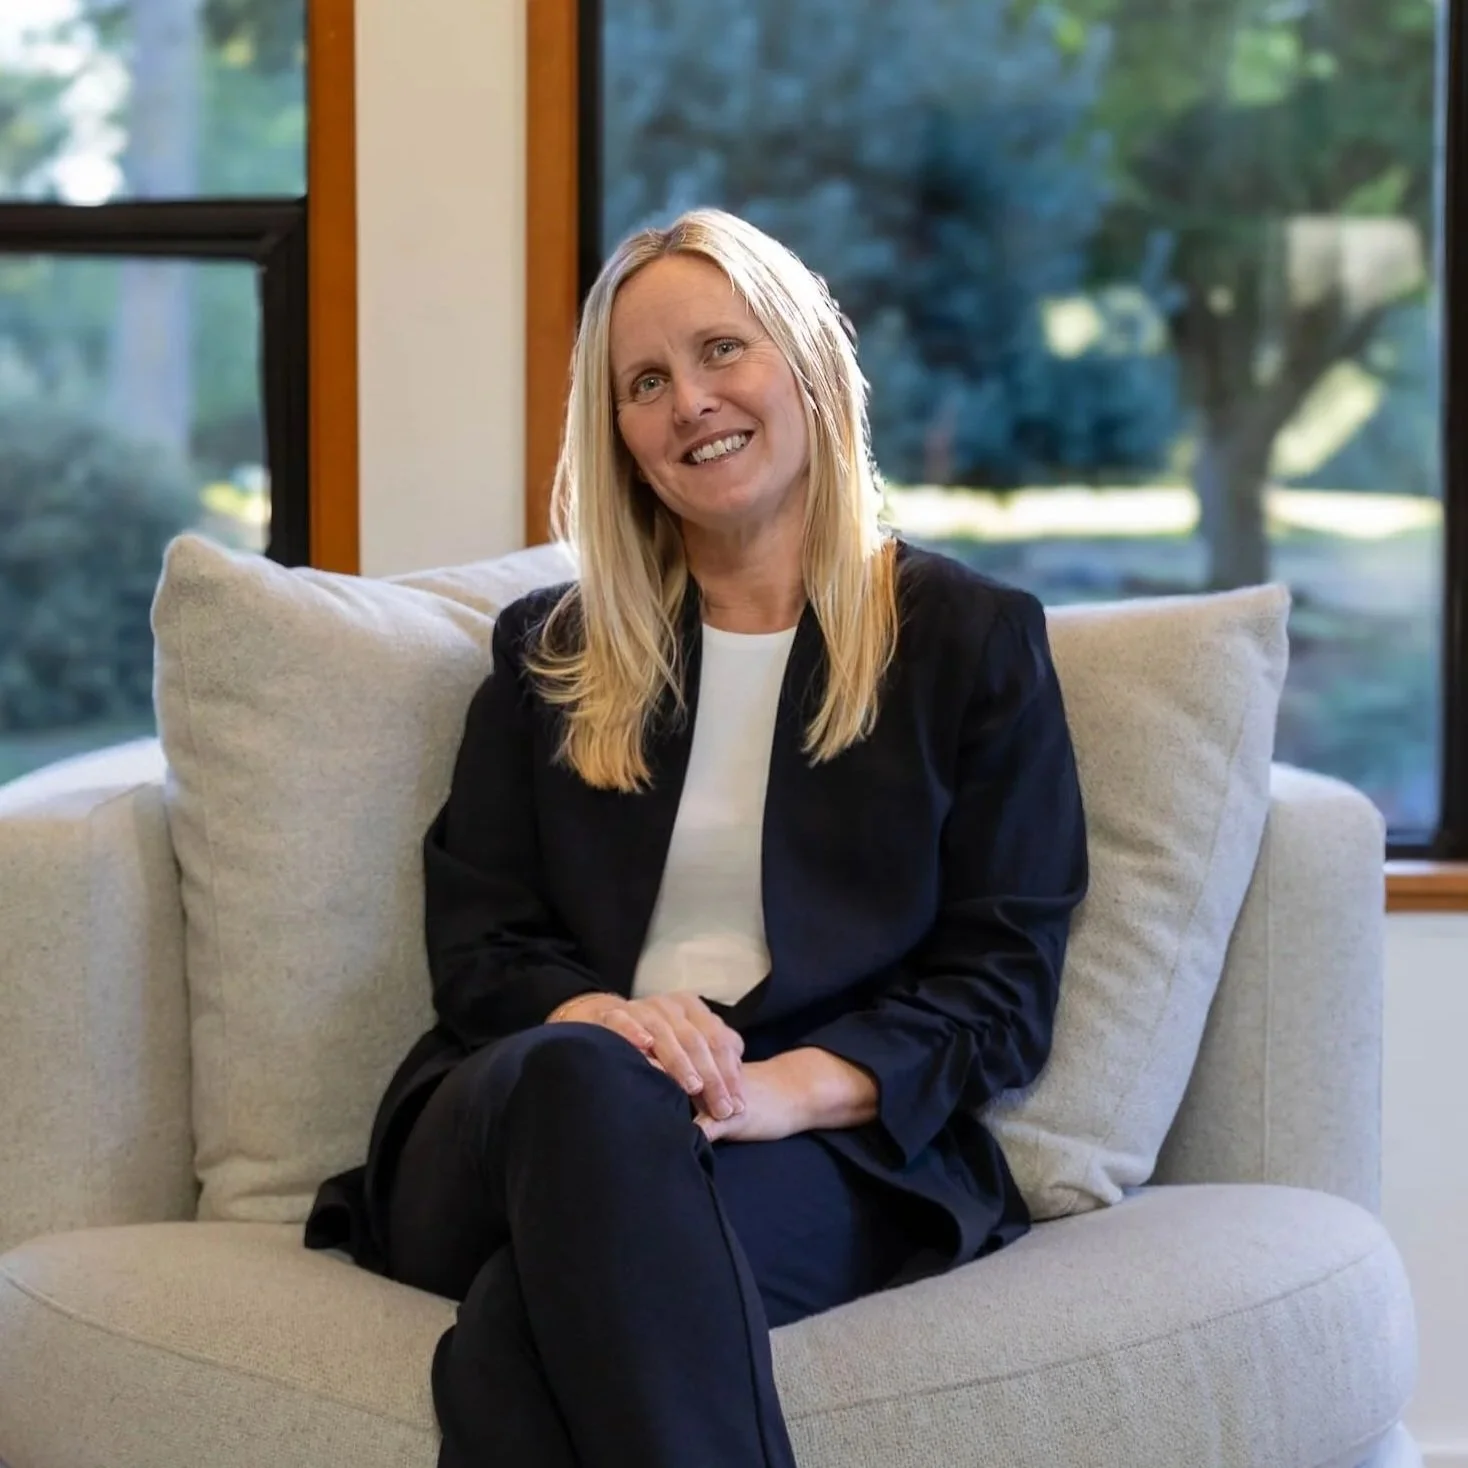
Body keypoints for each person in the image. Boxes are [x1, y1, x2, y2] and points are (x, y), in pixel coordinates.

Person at [305, 207, 1088, 1468]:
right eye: (645, 382)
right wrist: (613, 1025)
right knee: (589, 1083)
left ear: (807, 363)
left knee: (523, 1327)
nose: (690, 402)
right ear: (616, 434)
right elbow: (482, 945)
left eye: (723, 350)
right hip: (523, 1101)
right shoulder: (549, 652)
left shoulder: (968, 644)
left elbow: (999, 984)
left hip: (814, 1137)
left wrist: (770, 1093)